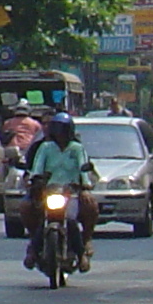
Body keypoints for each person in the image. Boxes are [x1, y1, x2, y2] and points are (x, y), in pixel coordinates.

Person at [23, 111, 100, 271]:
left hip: (70, 191)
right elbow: (36, 168)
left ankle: (81, 253)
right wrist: (36, 179)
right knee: (35, 213)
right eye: (57, 129)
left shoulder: (77, 148)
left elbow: (83, 169)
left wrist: (85, 186)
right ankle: (32, 249)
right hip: (48, 190)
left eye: (63, 130)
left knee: (73, 218)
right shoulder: (44, 147)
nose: (60, 134)